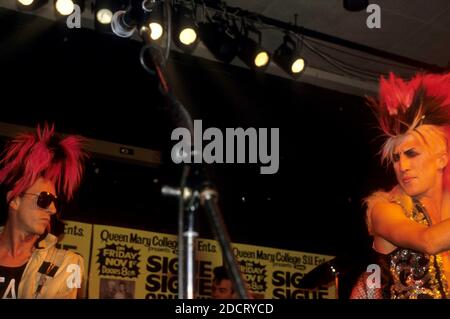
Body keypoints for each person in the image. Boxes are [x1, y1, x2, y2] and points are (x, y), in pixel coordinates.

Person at [351, 72, 450, 299]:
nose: (402, 166)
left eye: (411, 154)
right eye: (396, 158)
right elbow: (428, 241)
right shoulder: (385, 210)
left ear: (441, 158)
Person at [0, 123, 88, 299]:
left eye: (55, 202)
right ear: (15, 199)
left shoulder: (69, 265)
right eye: (44, 199)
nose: (53, 209)